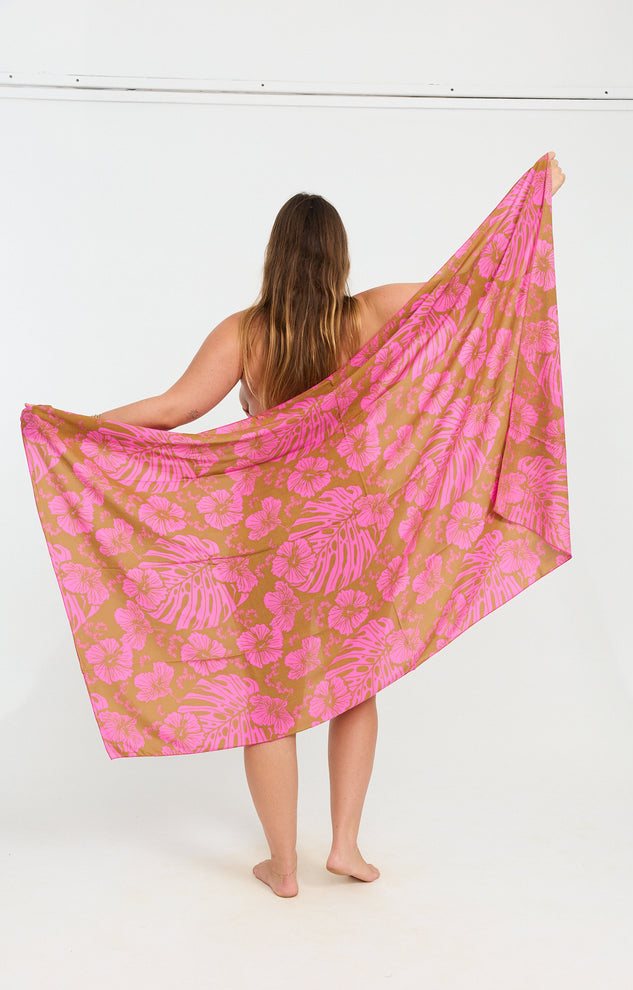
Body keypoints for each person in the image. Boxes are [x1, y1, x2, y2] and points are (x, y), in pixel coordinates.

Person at [96, 152, 566, 898]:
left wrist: (77, 427)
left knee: (267, 701)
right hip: (354, 534)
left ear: (274, 257)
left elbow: (173, 410)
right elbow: (474, 288)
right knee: (355, 680)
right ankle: (345, 846)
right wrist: (533, 203)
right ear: (339, 257)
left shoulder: (245, 334)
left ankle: (283, 868)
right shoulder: (369, 314)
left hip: (264, 543)